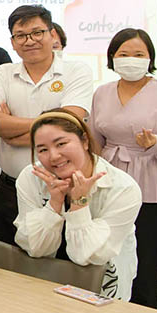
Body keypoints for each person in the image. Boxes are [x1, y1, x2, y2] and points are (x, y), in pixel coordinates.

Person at [90, 29, 157, 308]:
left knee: (146, 265)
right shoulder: (102, 92)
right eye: (124, 54)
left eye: (139, 54)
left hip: (153, 184)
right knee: (107, 258)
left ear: (150, 58)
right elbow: (94, 141)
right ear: (112, 57)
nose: (131, 60)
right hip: (110, 180)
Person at [0, 5, 93, 245]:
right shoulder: (4, 72)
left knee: (59, 256)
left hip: (63, 187)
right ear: (12, 42)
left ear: (52, 34)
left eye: (37, 33)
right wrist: (50, 124)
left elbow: (70, 123)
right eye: (21, 35)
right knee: (8, 257)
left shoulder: (76, 71)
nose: (30, 41)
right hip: (9, 187)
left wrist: (11, 133)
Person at [15, 110, 143, 300]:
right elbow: (35, 247)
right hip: (43, 280)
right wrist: (54, 204)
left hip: (102, 285)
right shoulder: (31, 177)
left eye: (61, 144)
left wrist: (79, 204)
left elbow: (87, 256)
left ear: (85, 141)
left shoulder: (123, 188)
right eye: (42, 150)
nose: (54, 156)